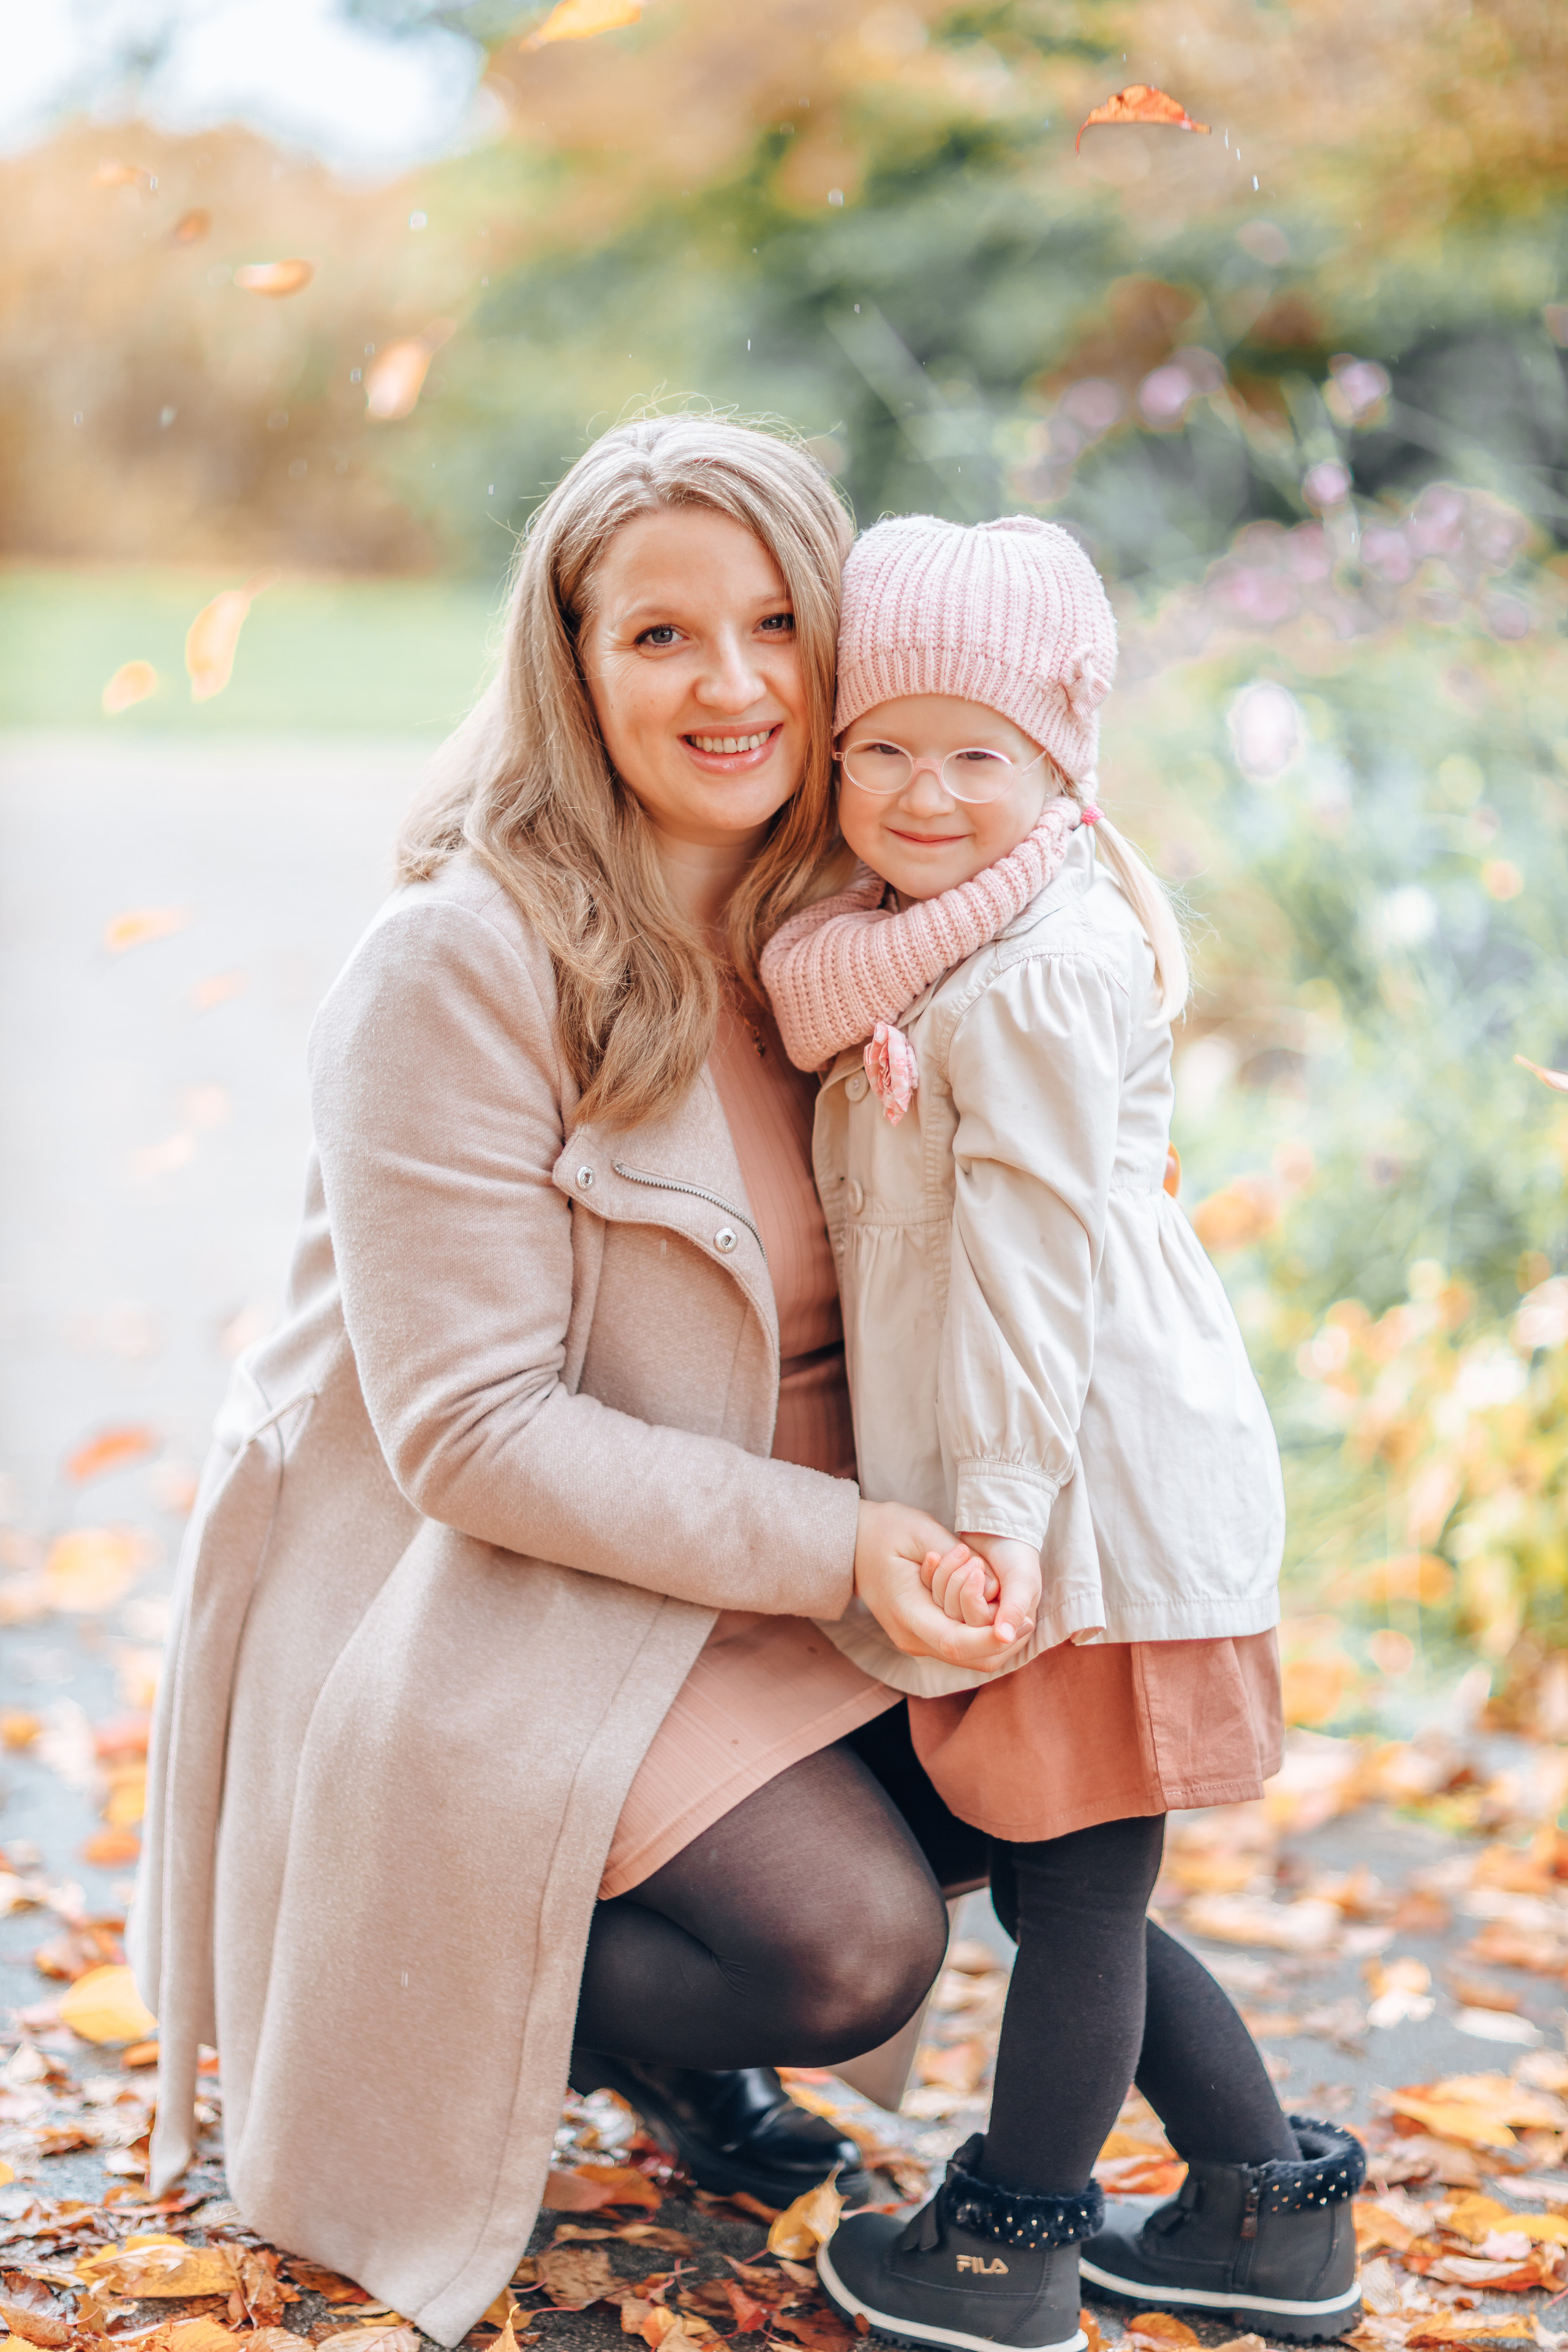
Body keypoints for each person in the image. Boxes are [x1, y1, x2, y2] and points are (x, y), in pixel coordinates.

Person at [756, 516, 1365, 2351]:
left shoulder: (1027, 974)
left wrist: (1004, 1515)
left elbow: (1032, 1277)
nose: (922, 793)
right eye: (884, 747)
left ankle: (1009, 2245)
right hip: (1063, 1484)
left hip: (1085, 1496)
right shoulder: (928, 944)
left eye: (978, 756)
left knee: (1079, 1892)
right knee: (1064, 1871)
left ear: (1060, 766)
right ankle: (1261, 2211)